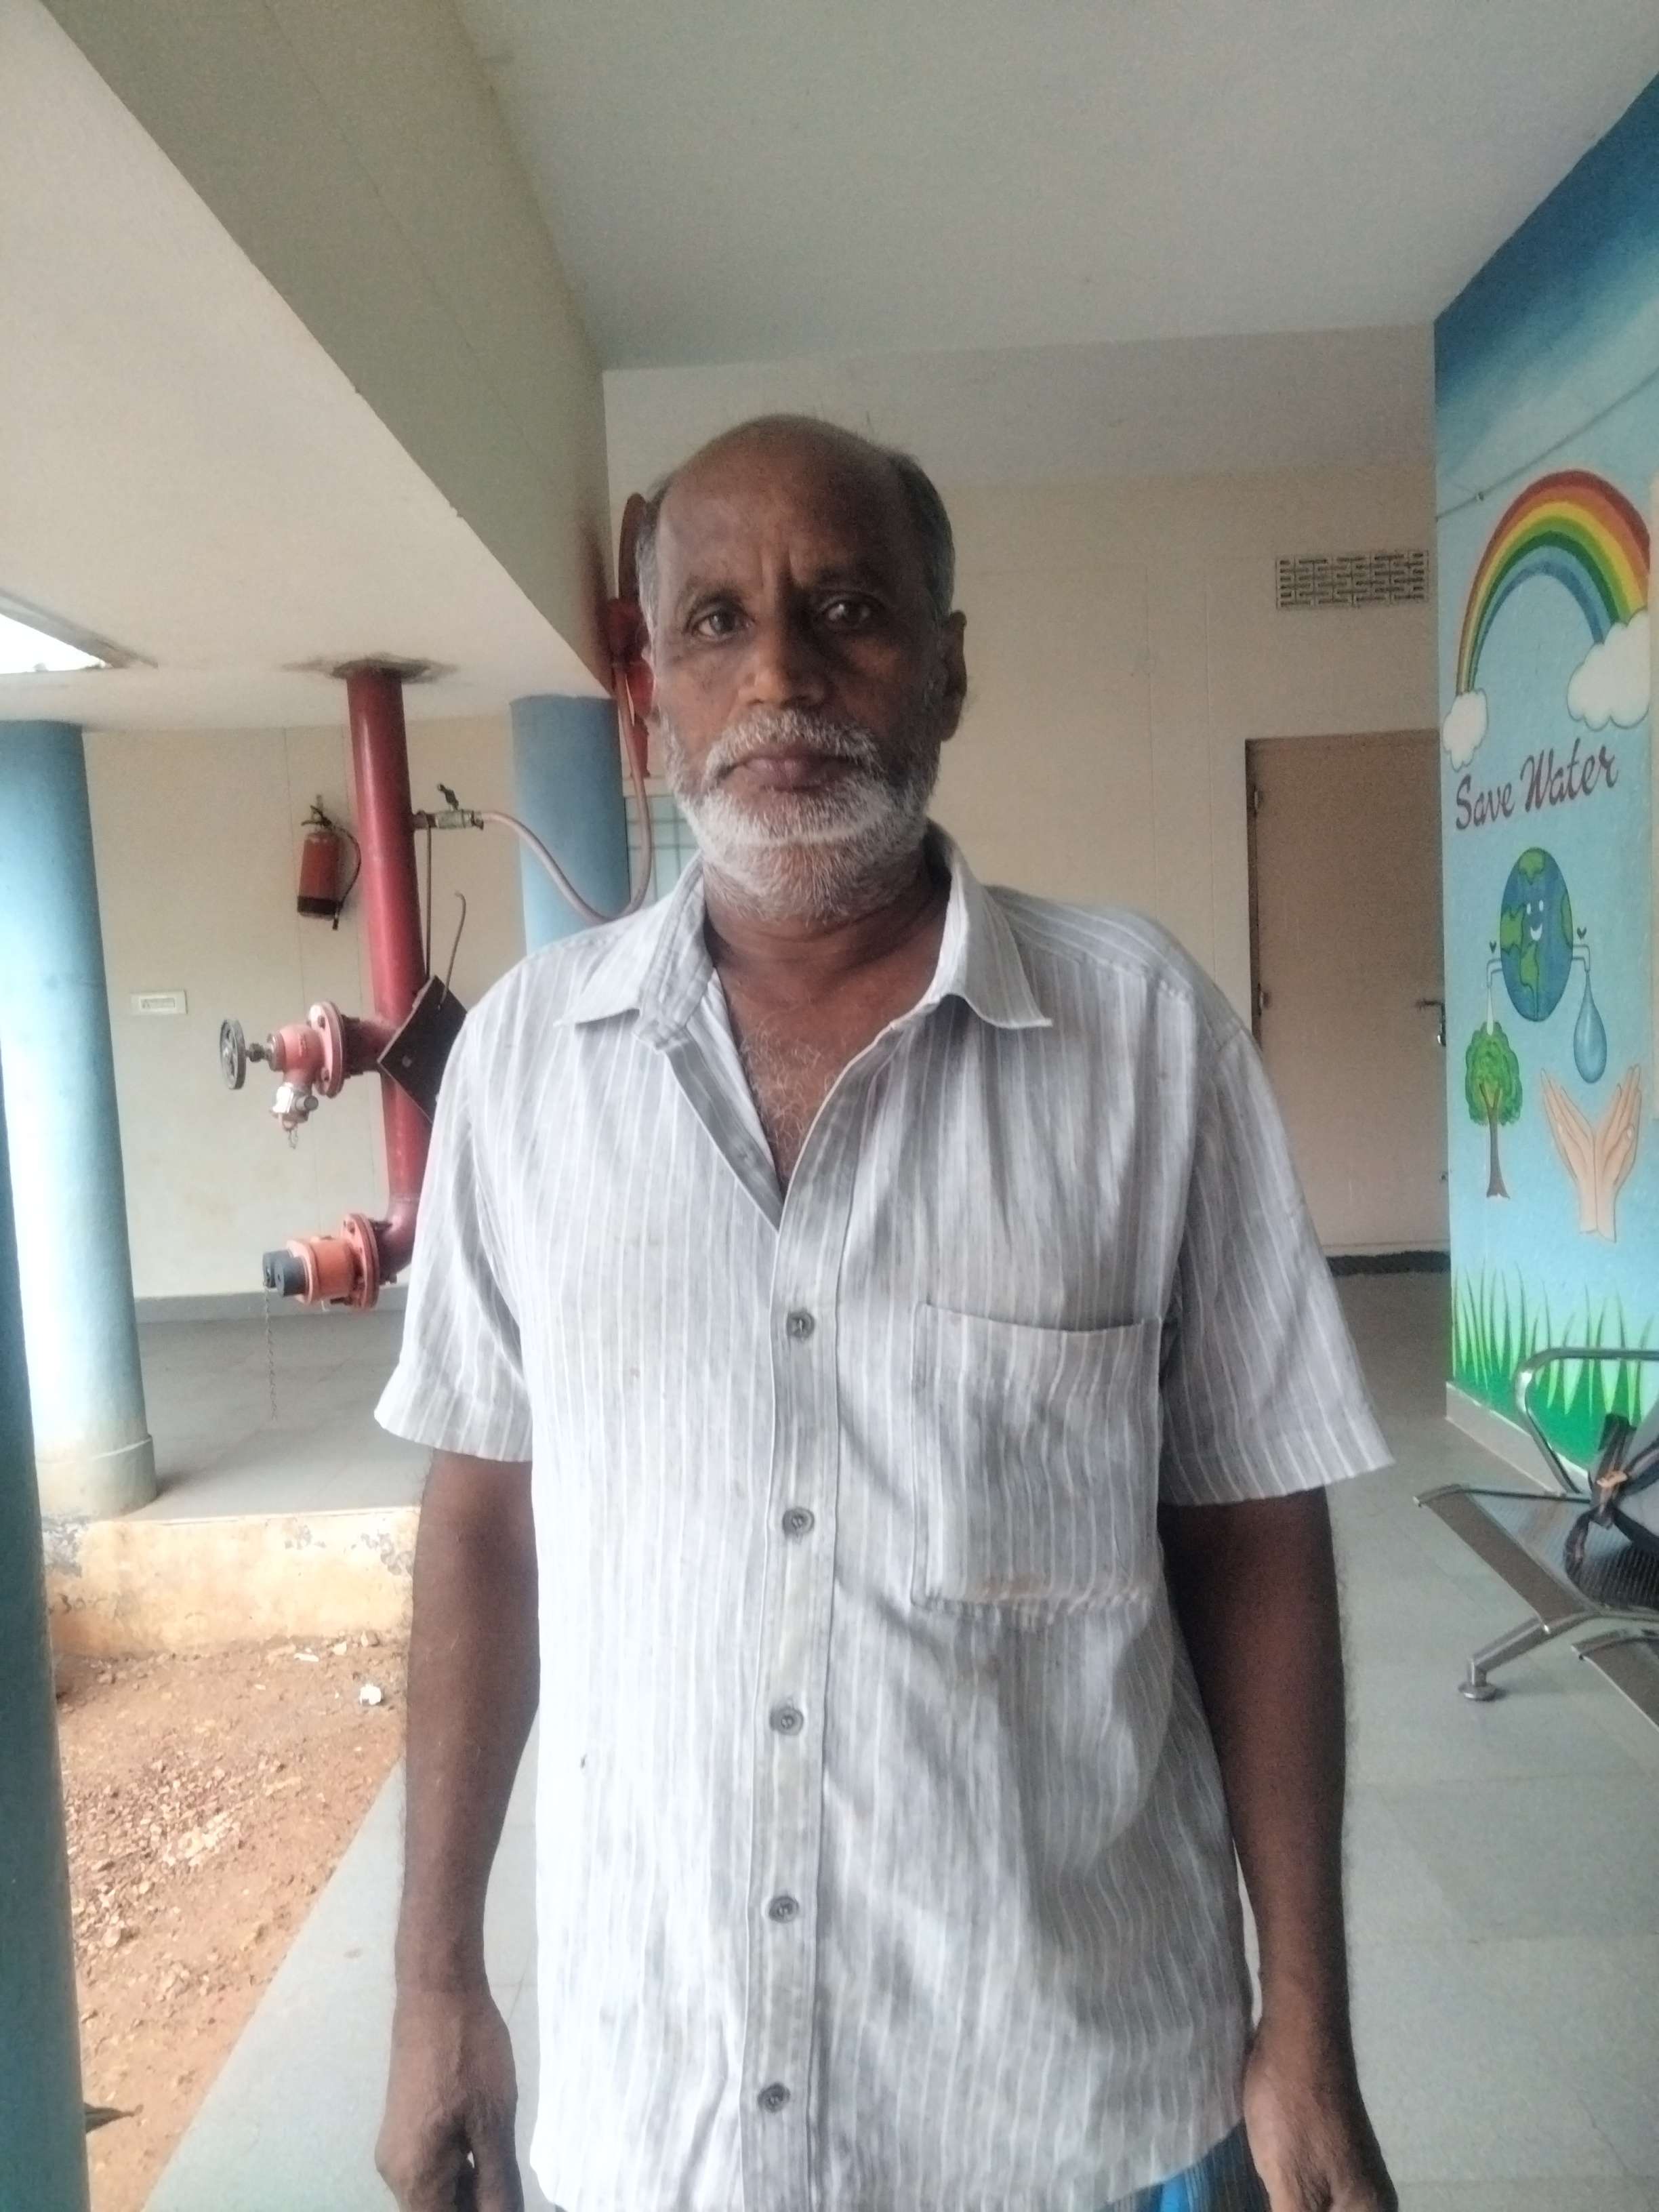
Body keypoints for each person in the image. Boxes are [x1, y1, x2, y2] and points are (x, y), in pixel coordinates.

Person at [373, 415, 1398, 2212]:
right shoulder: (526, 1067)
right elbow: (481, 1525)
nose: (780, 673)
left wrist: (1306, 2027)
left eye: (846, 609)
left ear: (947, 668)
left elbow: (1254, 1538)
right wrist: (432, 1981)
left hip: (1076, 2106)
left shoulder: (1146, 1041)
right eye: (716, 621)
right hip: (664, 2106)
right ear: (651, 698)